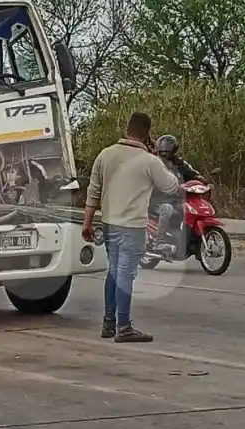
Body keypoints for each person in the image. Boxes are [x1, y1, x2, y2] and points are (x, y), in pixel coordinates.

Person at [82, 112, 180, 343]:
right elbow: (171, 186)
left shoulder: (105, 155)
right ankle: (123, 327)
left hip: (108, 224)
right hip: (132, 227)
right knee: (125, 274)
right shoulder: (148, 160)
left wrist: (87, 222)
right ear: (148, 134)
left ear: (127, 128)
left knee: (114, 271)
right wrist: (159, 158)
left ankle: (109, 323)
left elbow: (93, 190)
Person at [150, 134, 205, 250]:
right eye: (162, 150)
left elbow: (193, 173)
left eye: (168, 150)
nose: (165, 153)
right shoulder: (153, 163)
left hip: (175, 199)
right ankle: (158, 242)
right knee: (167, 208)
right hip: (155, 200)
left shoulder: (179, 163)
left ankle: (191, 241)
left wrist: (204, 182)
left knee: (190, 209)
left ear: (174, 150)